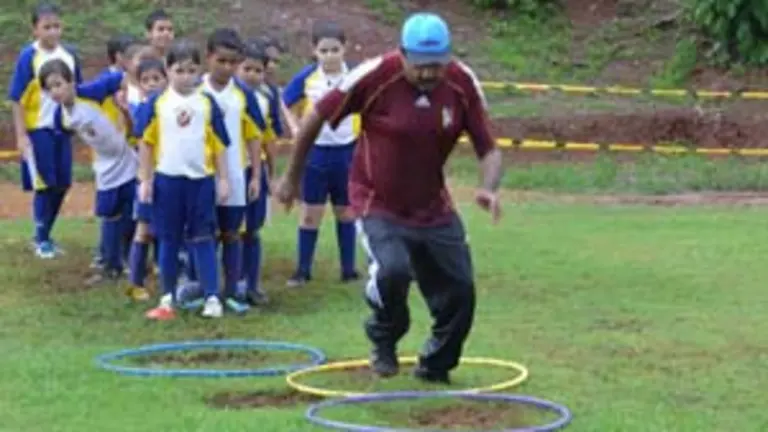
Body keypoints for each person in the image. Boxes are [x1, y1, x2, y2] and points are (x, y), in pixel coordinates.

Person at [275, 12, 504, 384]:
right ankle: (384, 335)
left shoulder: (462, 82)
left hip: (433, 206)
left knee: (461, 290)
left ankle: (435, 365)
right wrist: (291, 177)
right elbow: (315, 118)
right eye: (421, 67)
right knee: (393, 271)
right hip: (375, 201)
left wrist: (489, 188)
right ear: (403, 55)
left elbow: (489, 148)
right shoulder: (374, 75)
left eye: (437, 66)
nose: (430, 74)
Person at [134, 40, 230, 320]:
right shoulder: (157, 103)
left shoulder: (206, 103)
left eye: (191, 70)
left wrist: (223, 179)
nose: (185, 76)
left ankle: (212, 297)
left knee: (203, 238)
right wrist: (145, 179)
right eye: (179, 70)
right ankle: (167, 298)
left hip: (200, 180)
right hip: (167, 180)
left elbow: (221, 145)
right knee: (168, 238)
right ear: (168, 70)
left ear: (199, 71)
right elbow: (146, 143)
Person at [41, 60, 137, 284]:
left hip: (128, 158)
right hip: (105, 167)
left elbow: (121, 78)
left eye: (59, 84)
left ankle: (132, 261)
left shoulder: (91, 92)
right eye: (49, 88)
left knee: (133, 213)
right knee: (109, 214)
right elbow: (62, 134)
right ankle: (110, 264)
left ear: (72, 82)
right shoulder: (61, 116)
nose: (55, 91)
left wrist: (126, 100)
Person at [192, 28, 266, 314]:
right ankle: (203, 288)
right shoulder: (194, 89)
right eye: (221, 61)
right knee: (201, 232)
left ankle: (233, 290)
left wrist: (257, 175)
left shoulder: (243, 95)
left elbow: (254, 135)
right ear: (208, 57)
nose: (226, 68)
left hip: (235, 173)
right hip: (199, 174)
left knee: (232, 233)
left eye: (232, 62)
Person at [281, 21, 360, 287]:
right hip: (315, 154)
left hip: (347, 152)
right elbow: (286, 100)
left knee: (346, 211)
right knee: (310, 213)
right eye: (323, 50)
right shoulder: (307, 77)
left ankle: (348, 270)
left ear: (344, 48)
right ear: (314, 51)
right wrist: (295, 128)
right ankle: (303, 270)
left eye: (335, 49)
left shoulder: (355, 76)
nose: (329, 56)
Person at [8, 2, 82, 259]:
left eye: (57, 26)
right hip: (38, 128)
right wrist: (21, 135)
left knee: (62, 184)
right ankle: (41, 239)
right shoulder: (29, 56)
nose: (53, 32)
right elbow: (16, 98)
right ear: (35, 30)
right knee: (44, 184)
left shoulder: (70, 55)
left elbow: (78, 91)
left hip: (64, 129)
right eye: (46, 27)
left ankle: (45, 234)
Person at [235, 40, 281, 305]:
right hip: (230, 168)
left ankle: (252, 283)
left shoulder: (268, 96)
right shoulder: (228, 95)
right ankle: (229, 283)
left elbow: (270, 135)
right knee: (228, 230)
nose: (252, 75)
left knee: (252, 229)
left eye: (257, 70)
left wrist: (271, 173)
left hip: (256, 168)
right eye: (247, 68)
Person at [90, 32, 139, 271]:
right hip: (110, 155)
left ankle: (127, 256)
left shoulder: (136, 83)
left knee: (131, 206)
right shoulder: (104, 84)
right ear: (119, 57)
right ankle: (107, 258)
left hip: (133, 151)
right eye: (133, 56)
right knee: (111, 208)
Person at [126, 58, 168, 302]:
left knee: (168, 231)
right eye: (146, 80)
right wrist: (144, 178)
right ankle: (135, 282)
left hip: (171, 177)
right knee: (143, 230)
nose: (152, 84)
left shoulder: (174, 105)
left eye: (156, 78)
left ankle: (168, 279)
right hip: (149, 178)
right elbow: (142, 142)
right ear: (139, 85)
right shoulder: (145, 109)